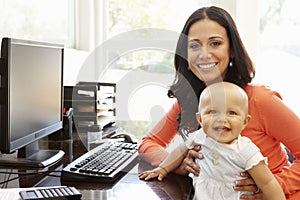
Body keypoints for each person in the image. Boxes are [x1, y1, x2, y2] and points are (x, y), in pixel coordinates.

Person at [138, 6, 300, 200]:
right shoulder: (189, 102)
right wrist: (178, 164)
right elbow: (149, 142)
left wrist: (272, 187)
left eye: (215, 43)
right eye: (194, 46)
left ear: (231, 50)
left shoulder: (259, 100)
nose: (204, 54)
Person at [139, 82, 285, 200]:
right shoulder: (200, 136)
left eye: (232, 113)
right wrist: (163, 169)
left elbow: (268, 183)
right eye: (213, 112)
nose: (222, 118)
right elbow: (180, 151)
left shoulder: (245, 151)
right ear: (200, 120)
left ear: (244, 122)